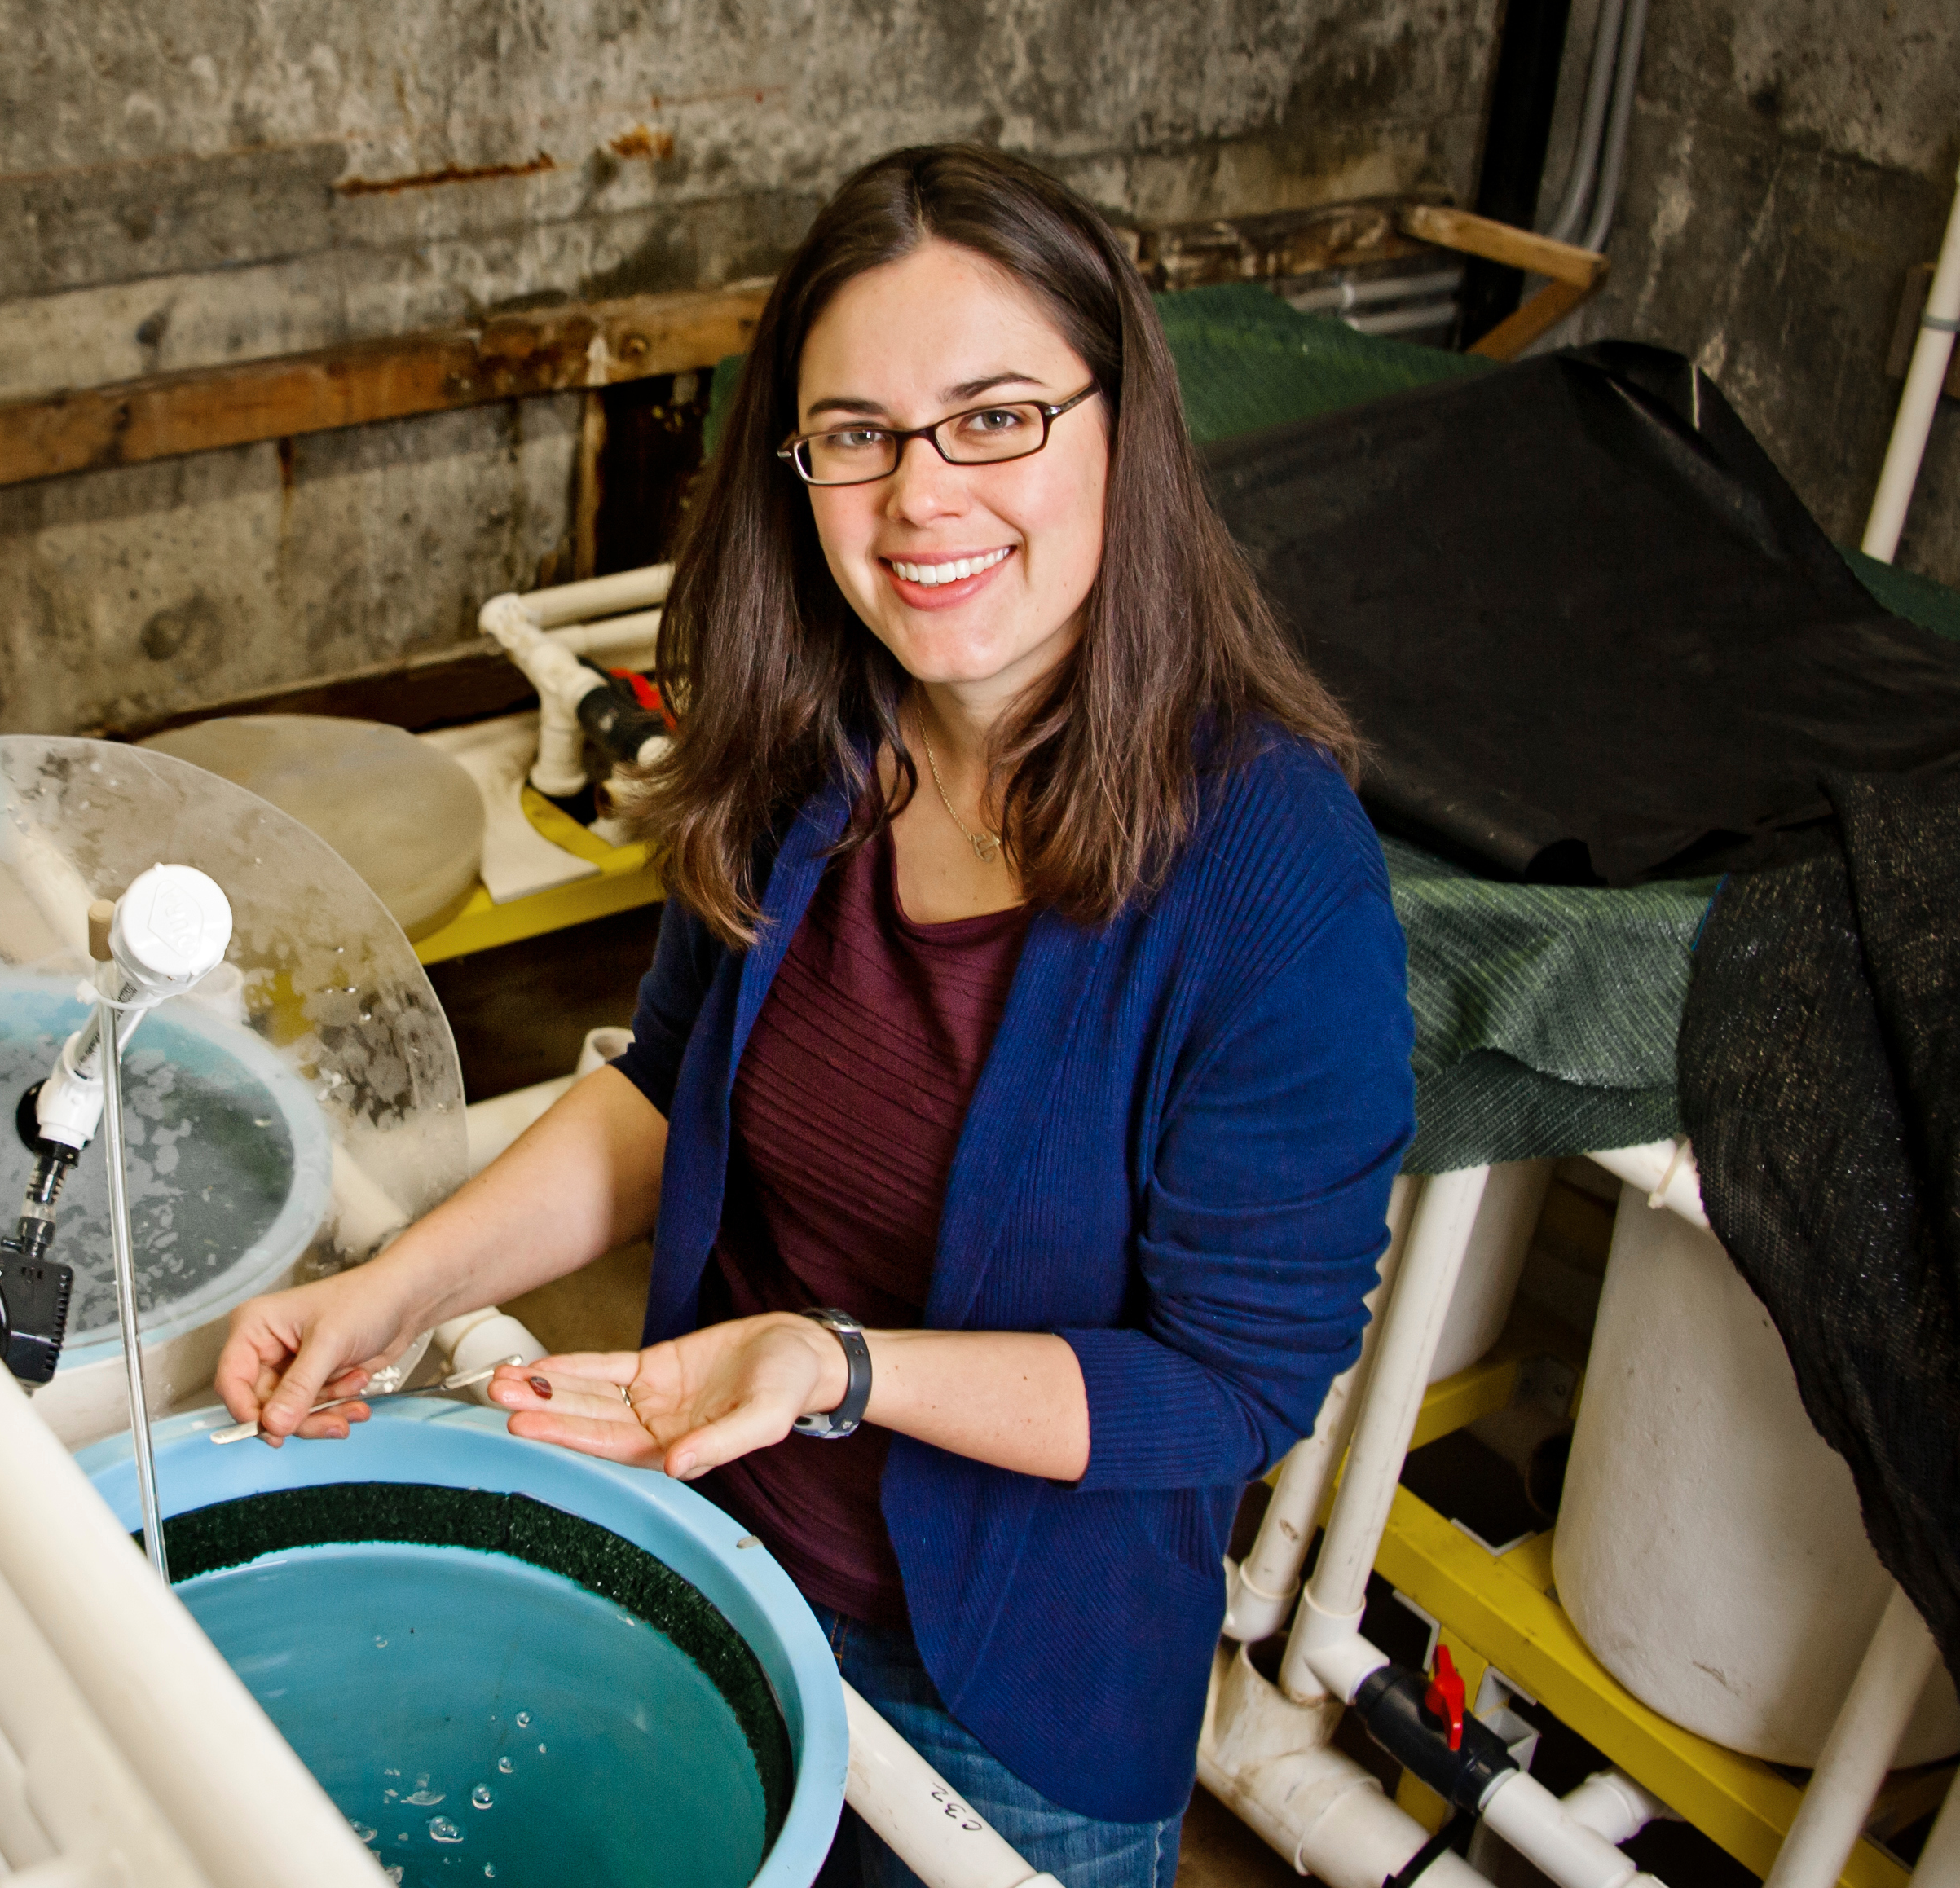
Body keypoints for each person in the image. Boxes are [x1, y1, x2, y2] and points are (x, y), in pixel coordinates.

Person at [214, 142, 1416, 1888]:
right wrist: (398, 1288)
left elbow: (1232, 1385)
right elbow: (674, 1090)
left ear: (1119, 425)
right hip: (719, 1569)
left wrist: (836, 1368)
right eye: (856, 434)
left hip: (1008, 1713)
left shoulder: (1271, 873)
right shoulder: (812, 742)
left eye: (993, 417)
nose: (921, 499)